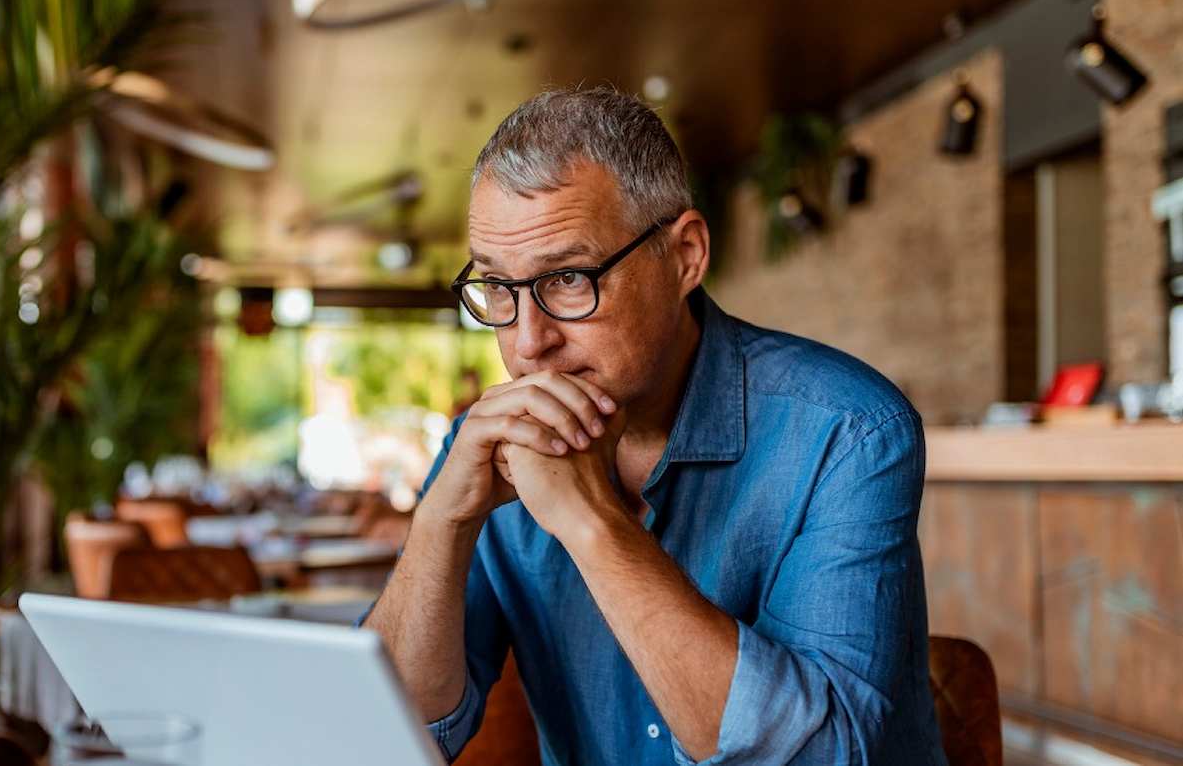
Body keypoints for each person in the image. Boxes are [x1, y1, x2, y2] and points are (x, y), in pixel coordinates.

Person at [362, 88, 945, 765]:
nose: (526, 344)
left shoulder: (846, 431)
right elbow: (384, 742)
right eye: (497, 287)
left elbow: (820, 758)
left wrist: (591, 524)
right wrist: (440, 522)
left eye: (569, 279)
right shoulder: (487, 450)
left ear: (685, 256)